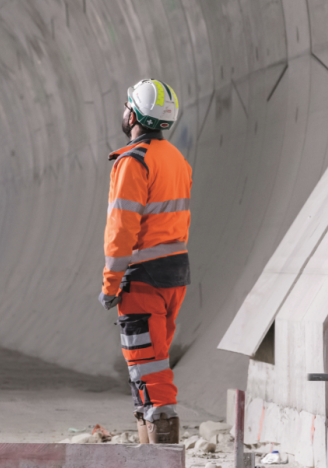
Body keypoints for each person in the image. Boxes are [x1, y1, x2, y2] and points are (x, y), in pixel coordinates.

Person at [98, 78, 192, 445]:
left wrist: (110, 283)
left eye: (126, 105)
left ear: (134, 114)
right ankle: (146, 447)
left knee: (147, 368)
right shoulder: (176, 159)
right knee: (153, 360)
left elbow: (121, 230)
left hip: (143, 278)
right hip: (175, 271)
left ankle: (161, 449)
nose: (123, 111)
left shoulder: (133, 162)